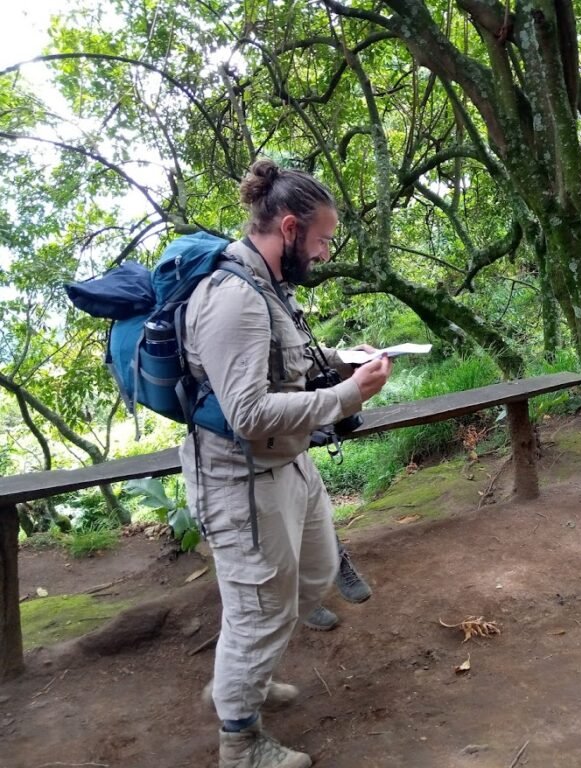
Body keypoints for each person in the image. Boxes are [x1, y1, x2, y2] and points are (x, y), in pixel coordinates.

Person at [181, 157, 392, 768]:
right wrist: (349, 396)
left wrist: (342, 361)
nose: (326, 253)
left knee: (314, 571)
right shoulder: (234, 298)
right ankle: (240, 741)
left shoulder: (268, 284)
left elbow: (288, 354)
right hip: (239, 481)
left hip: (288, 465)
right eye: (323, 239)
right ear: (292, 228)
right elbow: (246, 412)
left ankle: (240, 676)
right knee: (261, 609)